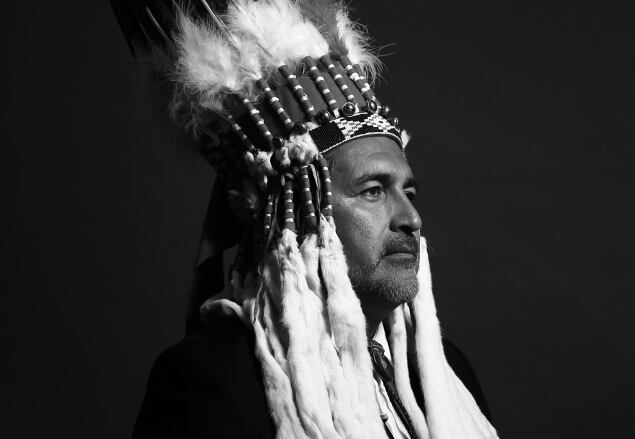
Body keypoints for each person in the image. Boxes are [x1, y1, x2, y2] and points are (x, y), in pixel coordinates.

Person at [112, 1, 499, 437]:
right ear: (295, 215)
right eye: (373, 192)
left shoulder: (442, 374)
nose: (410, 218)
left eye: (409, 192)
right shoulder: (211, 380)